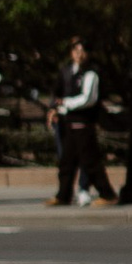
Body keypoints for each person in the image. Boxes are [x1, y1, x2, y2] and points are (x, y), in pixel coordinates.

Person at [50, 42, 115, 207]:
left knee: (90, 161)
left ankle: (107, 194)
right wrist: (58, 108)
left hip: (84, 123)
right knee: (67, 162)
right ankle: (63, 195)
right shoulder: (68, 71)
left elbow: (88, 99)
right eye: (76, 50)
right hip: (69, 122)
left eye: (83, 50)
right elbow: (57, 93)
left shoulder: (91, 73)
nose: (79, 54)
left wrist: (66, 103)